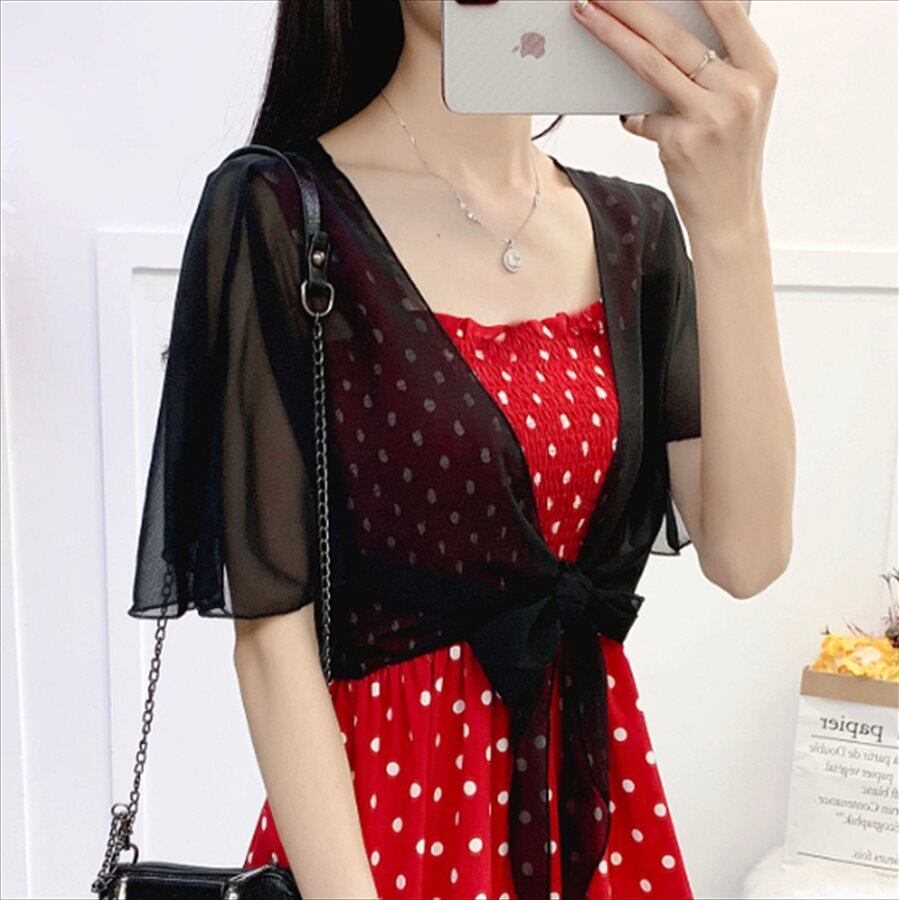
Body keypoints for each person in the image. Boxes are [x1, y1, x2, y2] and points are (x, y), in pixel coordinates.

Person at [129, 2, 793, 898]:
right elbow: (271, 636)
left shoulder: (634, 229)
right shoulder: (284, 212)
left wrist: (728, 214)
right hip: (381, 832)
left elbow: (748, 555)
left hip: (588, 807)